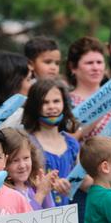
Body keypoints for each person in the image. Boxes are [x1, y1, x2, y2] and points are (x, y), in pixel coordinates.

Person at [21, 77, 80, 206]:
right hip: (39, 212)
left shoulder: (72, 143)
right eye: (45, 102)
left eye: (56, 101)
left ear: (64, 103)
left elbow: (83, 180)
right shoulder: (27, 143)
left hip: (67, 215)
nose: (52, 107)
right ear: (34, 106)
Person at [2, 128, 54, 210]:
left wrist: (45, 191)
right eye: (15, 160)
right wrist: (40, 194)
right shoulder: (5, 193)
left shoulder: (32, 186)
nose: (22, 165)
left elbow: (51, 213)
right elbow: (26, 220)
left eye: (26, 158)